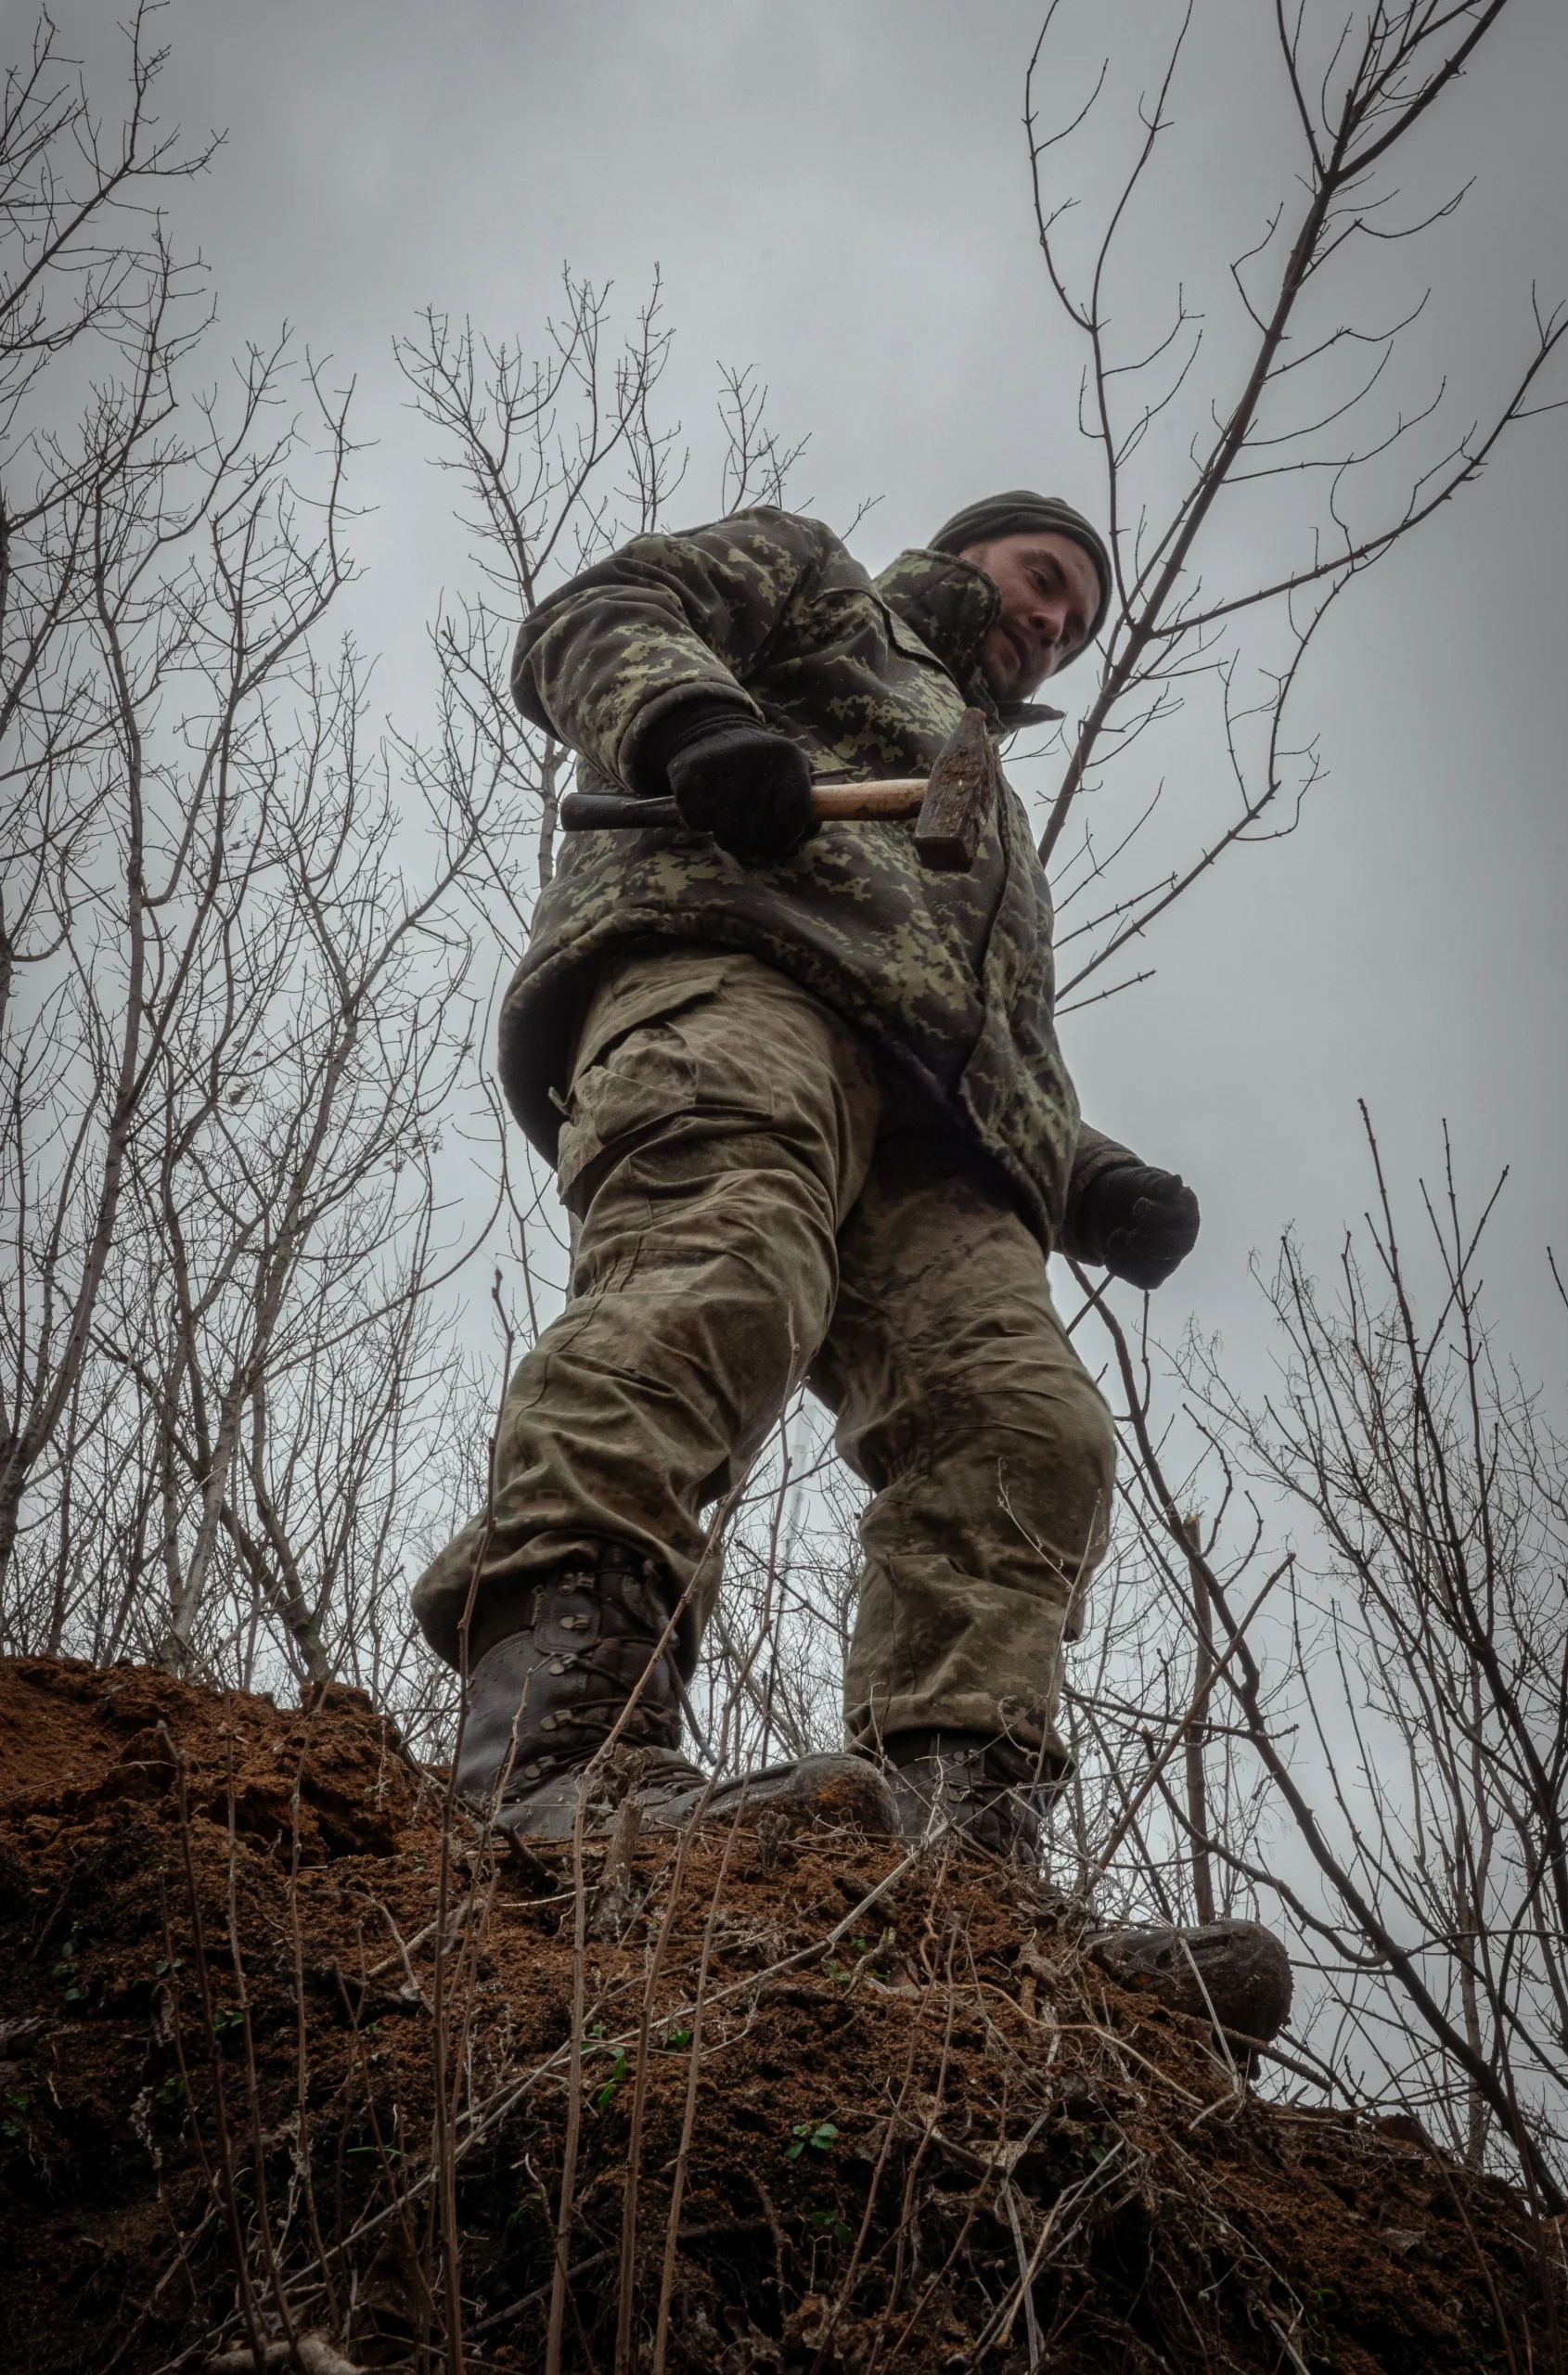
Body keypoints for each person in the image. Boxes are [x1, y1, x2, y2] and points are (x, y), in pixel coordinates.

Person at [414, 491, 1202, 1864]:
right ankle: (553, 1762)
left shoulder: (986, 799)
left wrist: (1089, 1180)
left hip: (941, 1143)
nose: (1051, 618)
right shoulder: (816, 587)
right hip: (733, 978)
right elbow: (595, 614)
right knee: (721, 1278)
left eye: (1075, 619)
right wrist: (697, 728)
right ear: (966, 556)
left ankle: (959, 1857)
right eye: (1038, 577)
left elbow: (978, 1028)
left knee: (1029, 1429)